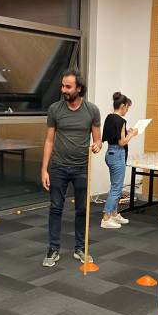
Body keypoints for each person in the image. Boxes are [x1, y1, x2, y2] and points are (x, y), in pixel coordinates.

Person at [41, 69, 102, 267]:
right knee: (55, 208)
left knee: (82, 209)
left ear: (79, 88)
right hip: (58, 167)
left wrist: (97, 146)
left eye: (68, 87)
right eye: (62, 86)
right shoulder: (55, 109)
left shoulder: (92, 111)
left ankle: (80, 248)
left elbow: (98, 139)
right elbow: (49, 140)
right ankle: (53, 249)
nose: (63, 90)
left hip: (82, 168)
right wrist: (44, 169)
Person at [100, 92, 138, 229]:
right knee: (116, 187)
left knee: (115, 186)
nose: (127, 111)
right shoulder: (121, 121)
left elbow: (114, 137)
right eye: (127, 108)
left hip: (110, 153)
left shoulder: (109, 118)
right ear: (122, 106)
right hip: (117, 154)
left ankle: (114, 213)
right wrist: (132, 134)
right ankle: (106, 218)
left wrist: (127, 133)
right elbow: (122, 142)